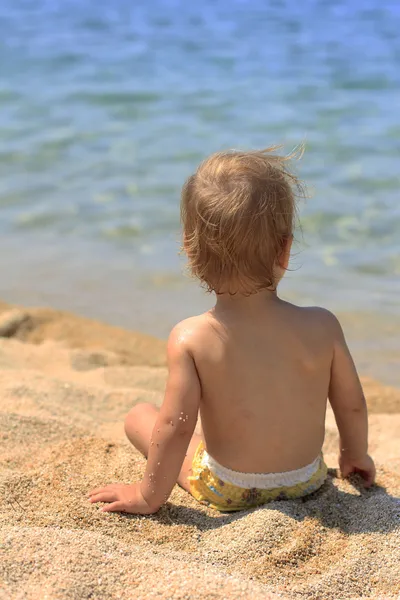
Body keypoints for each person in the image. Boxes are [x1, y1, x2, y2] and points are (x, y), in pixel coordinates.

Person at [88, 147, 376, 514]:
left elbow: (175, 426)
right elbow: (351, 404)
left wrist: (148, 496)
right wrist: (354, 455)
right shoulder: (323, 325)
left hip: (229, 488)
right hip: (307, 479)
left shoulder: (190, 338)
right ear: (285, 251)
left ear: (191, 255)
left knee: (140, 416)